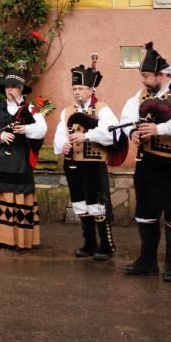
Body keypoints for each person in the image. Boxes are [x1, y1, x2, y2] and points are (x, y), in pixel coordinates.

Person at [119, 42, 171, 282]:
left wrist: (158, 128)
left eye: (146, 75)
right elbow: (127, 116)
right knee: (145, 213)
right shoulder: (141, 95)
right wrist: (131, 133)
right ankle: (147, 261)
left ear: (163, 74)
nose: (142, 80)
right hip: (146, 163)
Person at [53, 63, 119, 259]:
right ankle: (89, 243)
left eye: (81, 88)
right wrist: (63, 145)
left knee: (97, 206)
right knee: (81, 205)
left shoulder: (102, 109)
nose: (77, 92)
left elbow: (112, 133)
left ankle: (107, 246)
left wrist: (87, 136)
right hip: (73, 164)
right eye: (74, 88)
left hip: (94, 163)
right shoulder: (66, 112)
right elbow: (59, 134)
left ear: (91, 89)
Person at [0, 69, 47, 250]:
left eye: (14, 87)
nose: (10, 90)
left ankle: (19, 240)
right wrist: (0, 137)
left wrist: (26, 129)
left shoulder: (30, 109)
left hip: (20, 161)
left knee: (19, 197)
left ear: (21, 90)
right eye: (8, 87)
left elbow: (41, 129)